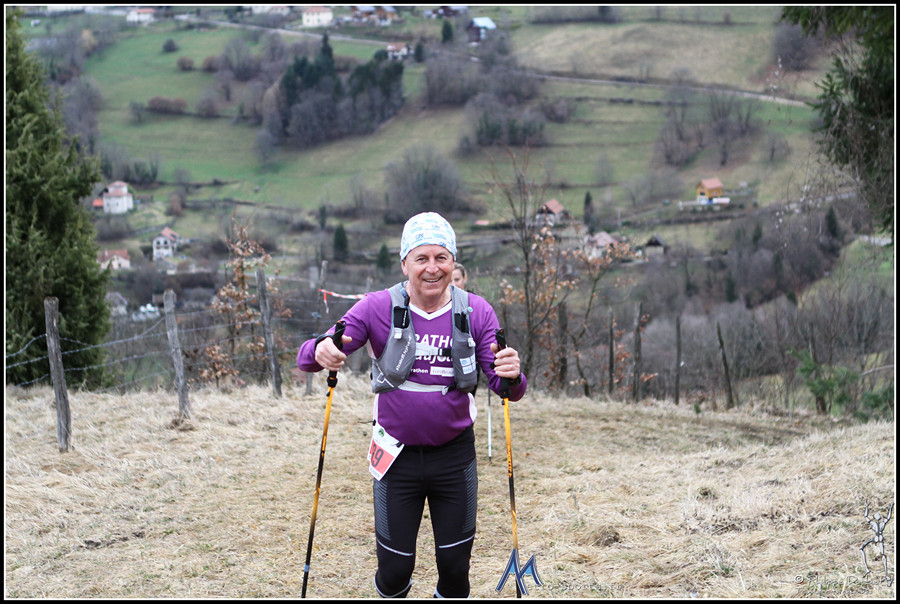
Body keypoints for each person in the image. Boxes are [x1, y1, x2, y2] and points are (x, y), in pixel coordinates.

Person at [297, 212, 526, 598]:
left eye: (441, 257)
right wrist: (320, 350)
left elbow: (508, 389)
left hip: (454, 458)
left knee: (455, 571)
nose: (432, 268)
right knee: (394, 570)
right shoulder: (376, 307)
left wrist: (512, 373)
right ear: (405, 263)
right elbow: (312, 354)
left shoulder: (477, 311)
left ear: (453, 262)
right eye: (422, 258)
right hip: (396, 458)